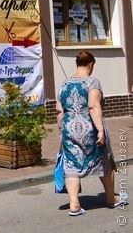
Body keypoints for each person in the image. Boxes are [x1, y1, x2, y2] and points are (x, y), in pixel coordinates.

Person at [56, 50, 128, 216]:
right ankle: (111, 198)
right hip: (90, 127)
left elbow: (59, 110)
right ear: (91, 64)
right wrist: (100, 130)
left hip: (69, 127)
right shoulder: (92, 82)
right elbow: (93, 106)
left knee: (71, 164)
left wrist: (61, 131)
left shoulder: (64, 84)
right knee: (104, 161)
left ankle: (74, 205)